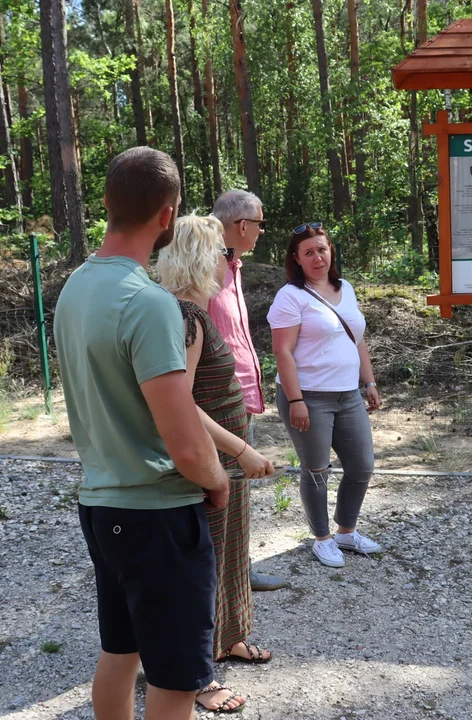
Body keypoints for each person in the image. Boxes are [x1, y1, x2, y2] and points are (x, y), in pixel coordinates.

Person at [54, 146, 229, 719]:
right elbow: (183, 438)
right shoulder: (149, 303)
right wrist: (218, 480)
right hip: (157, 514)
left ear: (106, 203)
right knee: (176, 681)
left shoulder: (74, 288)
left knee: (121, 651)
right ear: (168, 216)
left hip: (101, 504)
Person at [157, 214, 276, 713]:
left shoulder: (197, 311)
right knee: (202, 566)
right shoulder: (186, 317)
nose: (231, 261)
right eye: (224, 253)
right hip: (212, 461)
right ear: (200, 257)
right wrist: (240, 450)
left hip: (224, 459)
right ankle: (198, 676)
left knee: (229, 552)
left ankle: (228, 638)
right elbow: (180, 401)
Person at [268, 222, 383, 568]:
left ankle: (346, 531)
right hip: (309, 397)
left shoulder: (345, 288)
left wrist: (370, 382)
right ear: (297, 259)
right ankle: (322, 538)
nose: (317, 257)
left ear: (331, 251)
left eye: (322, 249)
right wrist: (297, 400)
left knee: (362, 466)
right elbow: (283, 353)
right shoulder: (291, 296)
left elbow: (357, 338)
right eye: (309, 252)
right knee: (316, 469)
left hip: (348, 394)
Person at [207, 189, 288, 593]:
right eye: (259, 223)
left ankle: (235, 570)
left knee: (235, 489)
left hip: (238, 398)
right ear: (242, 226)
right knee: (225, 489)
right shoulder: (205, 267)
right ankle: (227, 577)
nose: (260, 231)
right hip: (218, 401)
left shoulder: (231, 265)